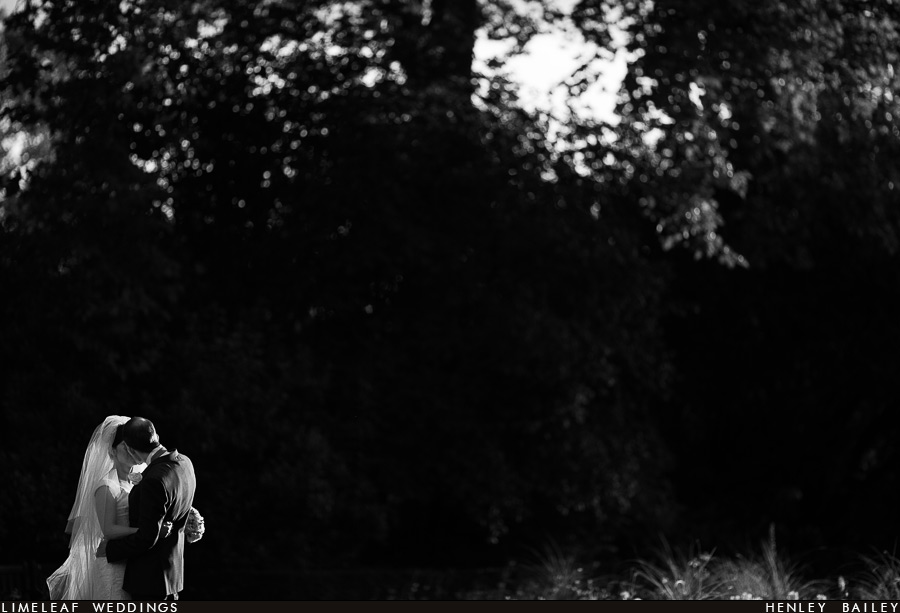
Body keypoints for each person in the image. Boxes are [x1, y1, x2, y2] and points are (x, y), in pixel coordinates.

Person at [46, 415, 158, 599]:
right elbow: (108, 529)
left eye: (132, 446)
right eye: (124, 446)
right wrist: (145, 530)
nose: (130, 451)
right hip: (112, 563)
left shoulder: (141, 481)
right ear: (111, 451)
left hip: (133, 561)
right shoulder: (106, 486)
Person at [98, 417, 197, 601]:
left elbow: (147, 537)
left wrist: (110, 549)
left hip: (149, 580)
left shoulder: (153, 480)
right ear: (155, 435)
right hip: (171, 575)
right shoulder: (185, 463)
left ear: (129, 448)